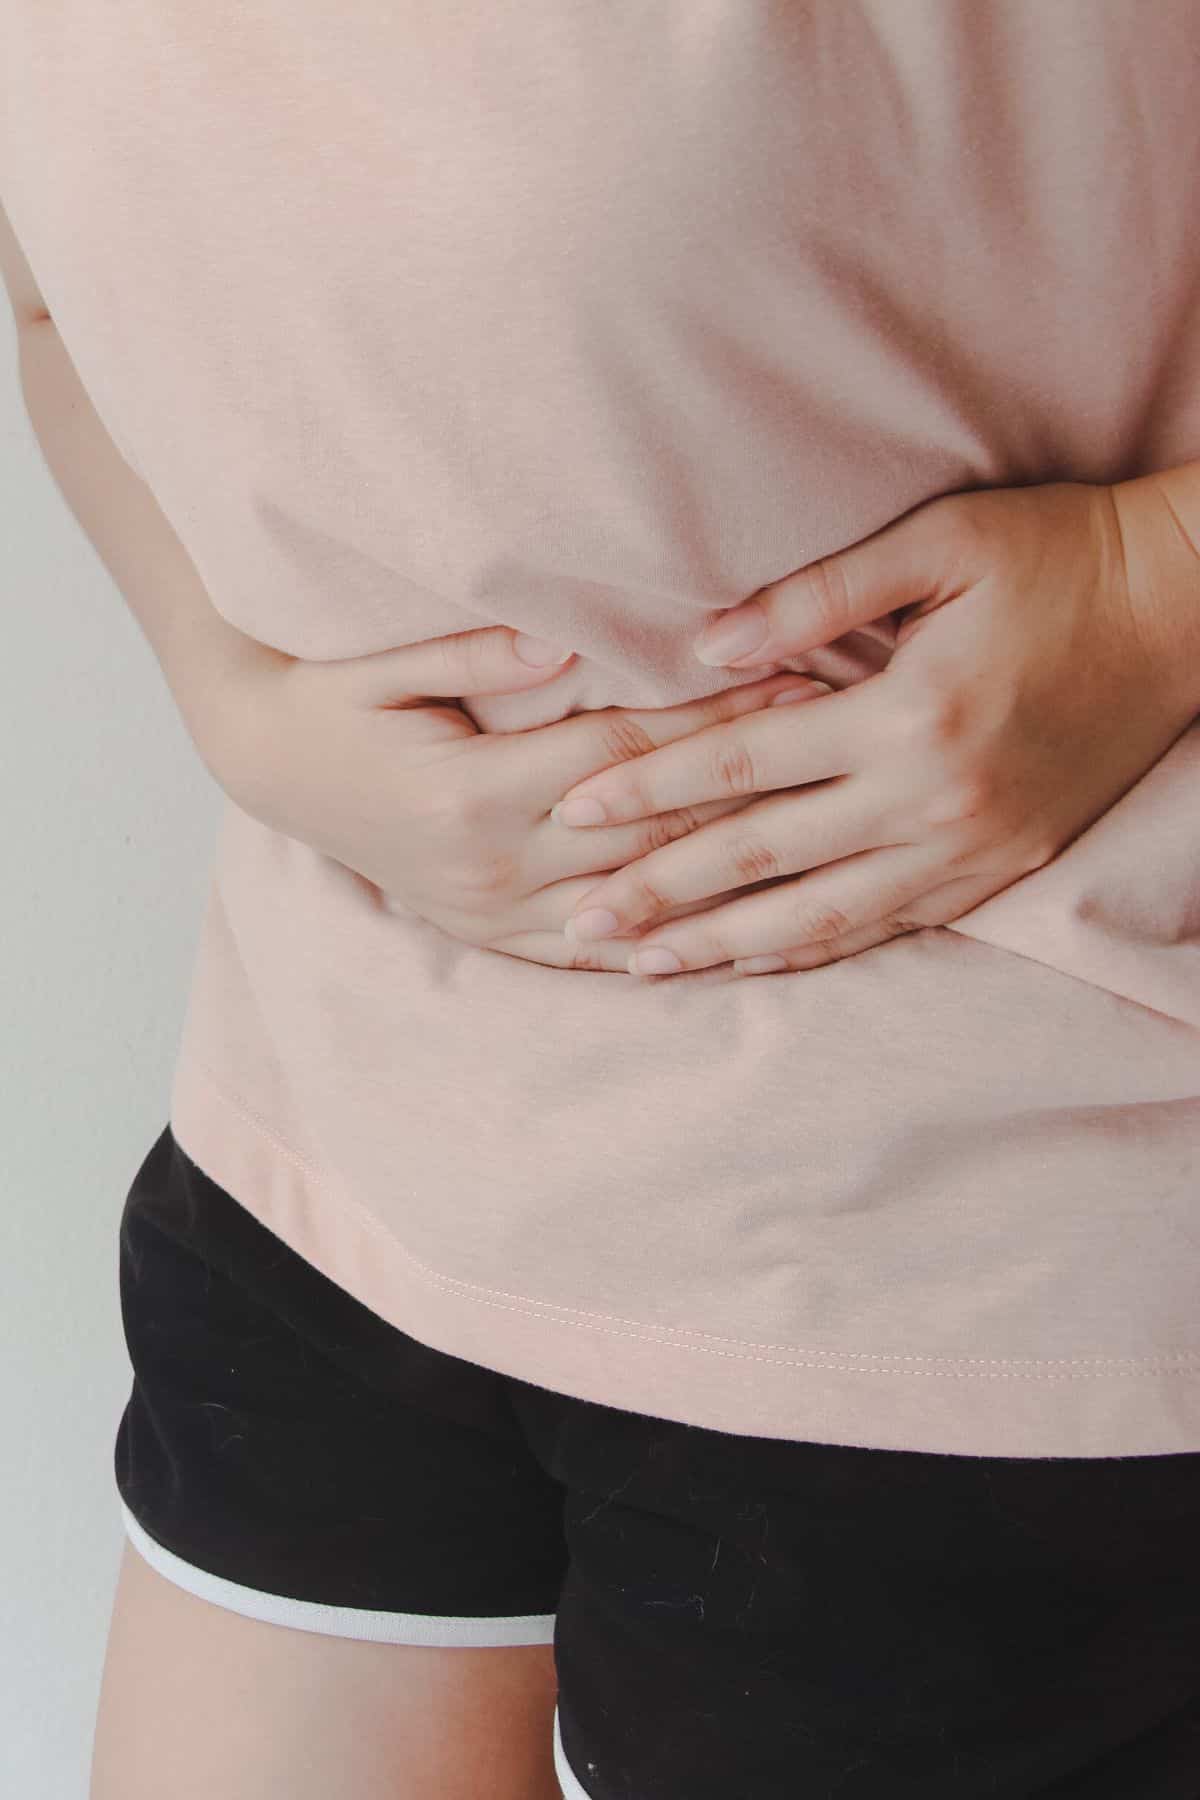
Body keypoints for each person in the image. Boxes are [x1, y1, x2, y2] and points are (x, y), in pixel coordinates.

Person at [3, 5, 1200, 1796]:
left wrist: (1155, 577)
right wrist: (225, 687)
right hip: (345, 1124)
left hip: (972, 1227)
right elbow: (53, 276)